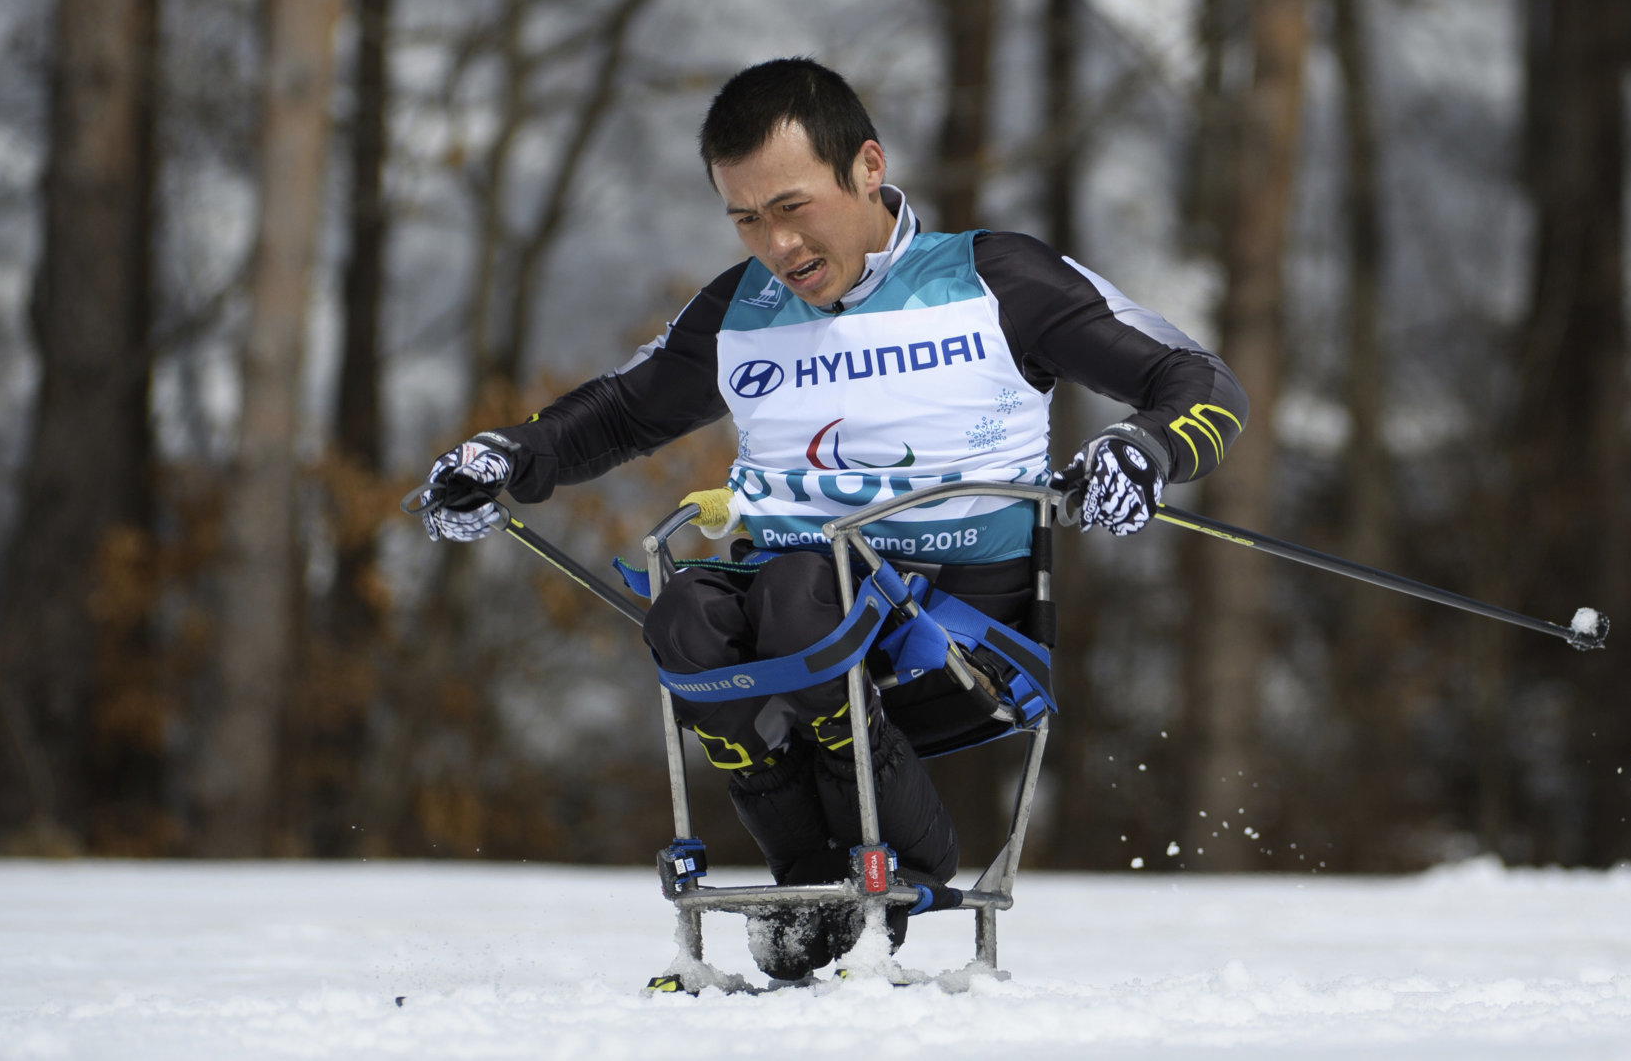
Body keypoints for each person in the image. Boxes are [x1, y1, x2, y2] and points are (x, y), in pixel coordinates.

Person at [416, 57, 1247, 980]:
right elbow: (619, 411)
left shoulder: (996, 279)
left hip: (958, 631)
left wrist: (1144, 450)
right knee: (686, 612)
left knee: (803, 586)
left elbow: (1199, 382)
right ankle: (811, 883)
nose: (776, 245)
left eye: (792, 206)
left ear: (867, 167)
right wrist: (503, 456)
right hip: (796, 620)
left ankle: (903, 863)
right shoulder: (740, 310)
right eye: (745, 218)